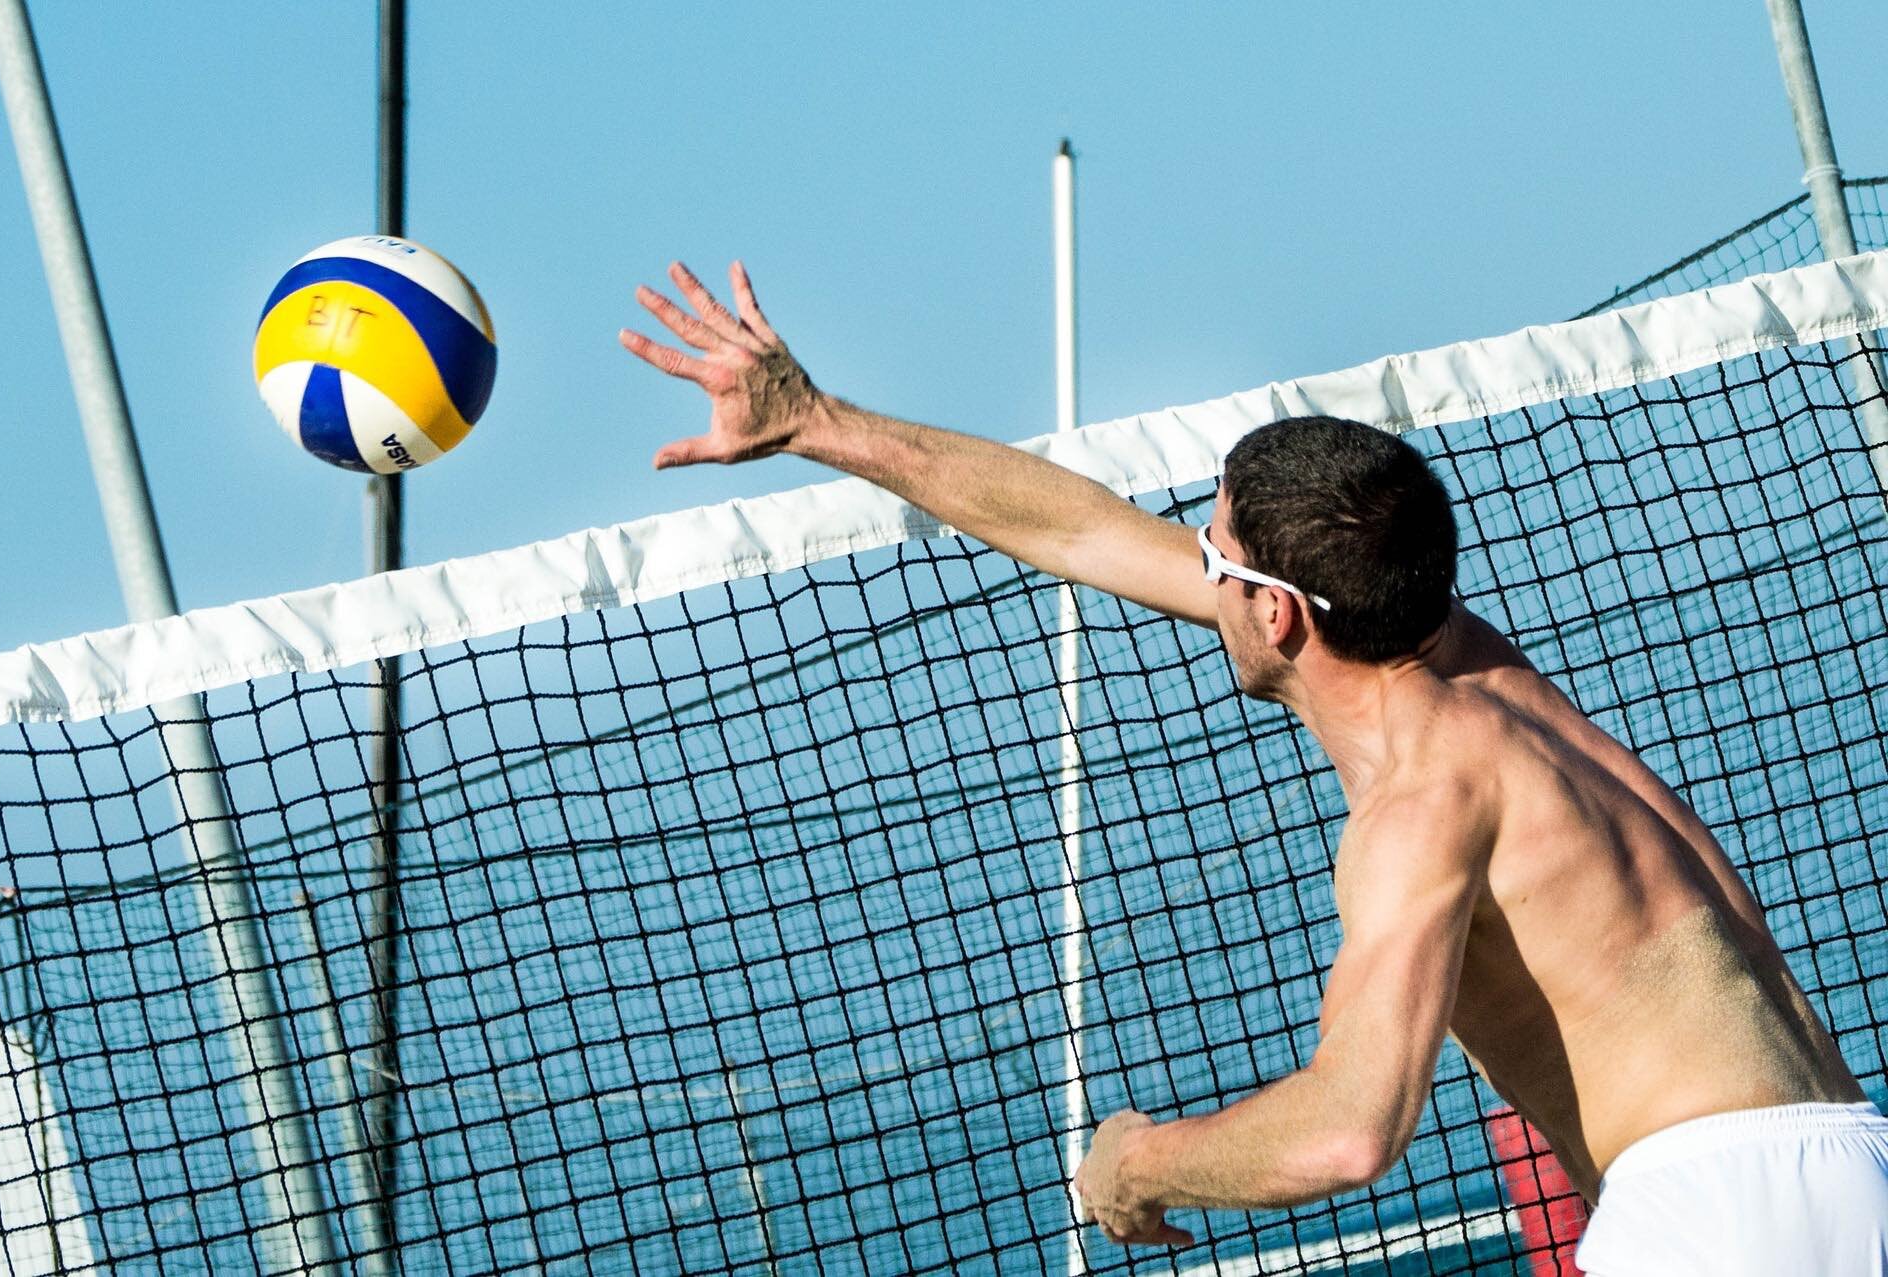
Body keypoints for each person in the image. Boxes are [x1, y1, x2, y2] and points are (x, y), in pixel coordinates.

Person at [620, 260, 1888, 1273]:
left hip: (1710, 1224)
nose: (1196, 565)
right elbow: (1081, 527)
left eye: (1214, 556)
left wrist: (1142, 1162)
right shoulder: (1465, 661)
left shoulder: (1420, 807)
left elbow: (1352, 1124)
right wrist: (820, 422)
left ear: (1276, 616)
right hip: (1852, 1167)